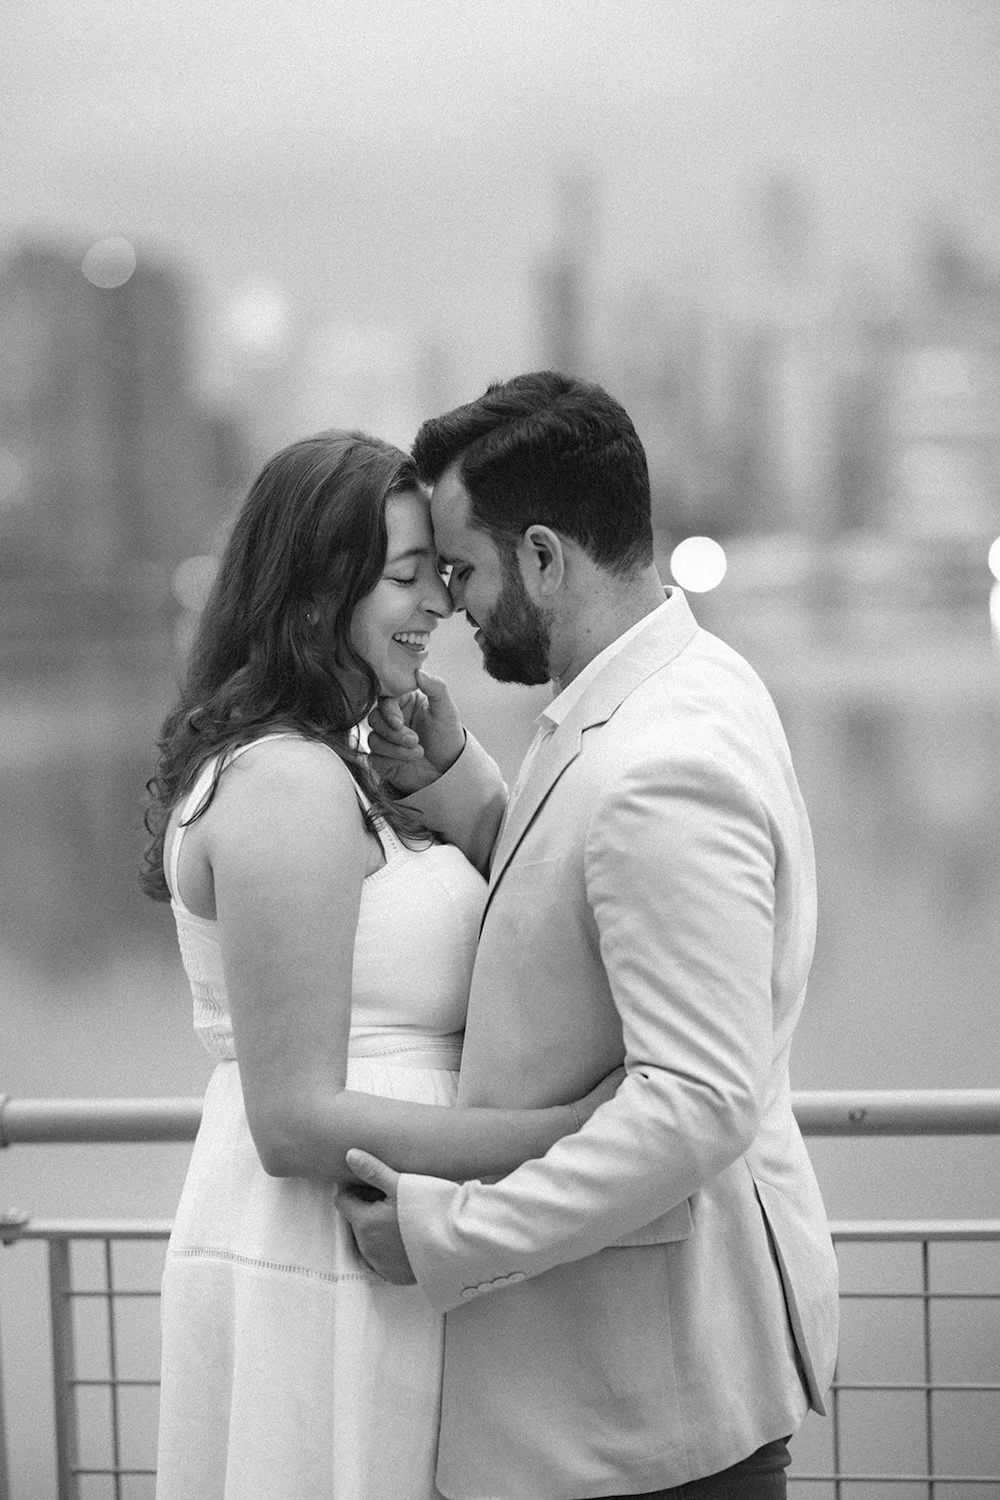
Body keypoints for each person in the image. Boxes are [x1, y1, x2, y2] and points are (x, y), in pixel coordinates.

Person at [339, 373, 840, 1500]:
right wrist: (468, 797)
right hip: (625, 1397)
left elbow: (695, 1103)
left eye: (463, 570)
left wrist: (449, 1240)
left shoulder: (660, 763)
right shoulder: (678, 683)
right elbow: (596, 910)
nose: (456, 607)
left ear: (548, 557)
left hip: (637, 1414)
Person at [140, 429, 618, 1500]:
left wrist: (454, 786)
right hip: (325, 1257)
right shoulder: (289, 785)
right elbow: (295, 1120)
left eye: (442, 575)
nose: (440, 606)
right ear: (316, 594)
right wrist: (558, 1139)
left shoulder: (341, 769)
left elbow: (527, 920)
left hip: (390, 1249)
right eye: (406, 578)